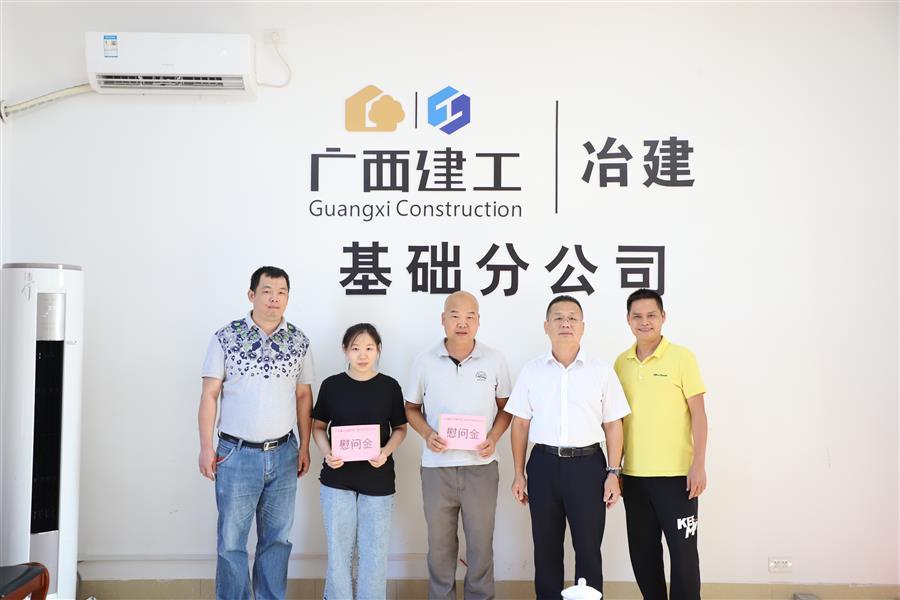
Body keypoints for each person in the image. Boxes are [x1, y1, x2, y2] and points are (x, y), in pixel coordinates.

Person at [198, 266, 315, 600]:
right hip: (235, 454)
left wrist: (304, 447)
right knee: (231, 542)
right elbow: (209, 394)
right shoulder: (226, 336)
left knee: (277, 540)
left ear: (288, 298)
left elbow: (304, 396)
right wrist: (206, 447)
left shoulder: (299, 341)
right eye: (267, 291)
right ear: (251, 295)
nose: (274, 298)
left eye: (281, 292)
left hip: (284, 453)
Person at [505, 295, 630, 599]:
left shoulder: (601, 370)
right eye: (558, 318)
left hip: (588, 467)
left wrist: (613, 473)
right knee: (546, 547)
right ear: (546, 326)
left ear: (583, 327)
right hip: (543, 465)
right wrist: (519, 473)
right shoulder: (532, 371)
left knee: (588, 548)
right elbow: (519, 424)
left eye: (572, 318)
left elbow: (614, 425)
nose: (565, 323)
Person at [404, 291, 512, 600]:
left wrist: (493, 437)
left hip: (481, 467)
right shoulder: (425, 360)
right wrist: (427, 434)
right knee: (440, 548)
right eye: (455, 316)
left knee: (480, 546)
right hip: (437, 468)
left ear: (478, 322)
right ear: (443, 320)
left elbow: (506, 408)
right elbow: (411, 408)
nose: (462, 323)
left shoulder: (495, 359)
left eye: (469, 317)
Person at [614, 289, 708, 600]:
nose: (645, 322)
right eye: (637, 316)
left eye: (651, 315)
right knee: (643, 556)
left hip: (678, 478)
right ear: (628, 320)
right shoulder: (621, 363)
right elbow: (617, 423)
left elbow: (699, 414)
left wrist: (698, 465)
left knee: (683, 557)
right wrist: (616, 470)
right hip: (635, 478)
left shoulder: (682, 358)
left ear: (663, 317)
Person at [312, 323, 408, 599]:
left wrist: (385, 451)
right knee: (338, 553)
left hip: (378, 480)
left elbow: (400, 429)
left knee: (374, 554)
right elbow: (318, 427)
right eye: (355, 348)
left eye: (369, 348)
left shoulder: (389, 386)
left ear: (378, 350)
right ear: (345, 350)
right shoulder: (332, 385)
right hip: (337, 480)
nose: (362, 355)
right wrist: (327, 453)